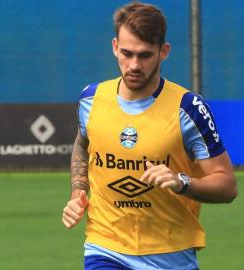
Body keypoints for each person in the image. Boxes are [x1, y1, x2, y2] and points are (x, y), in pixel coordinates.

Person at [62, 3, 238, 270]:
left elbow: (227, 186)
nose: (134, 65)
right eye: (127, 53)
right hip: (105, 246)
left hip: (171, 254)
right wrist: (78, 192)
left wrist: (182, 182)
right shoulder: (90, 99)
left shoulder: (188, 109)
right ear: (114, 47)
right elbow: (83, 143)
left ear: (163, 52)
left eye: (145, 55)